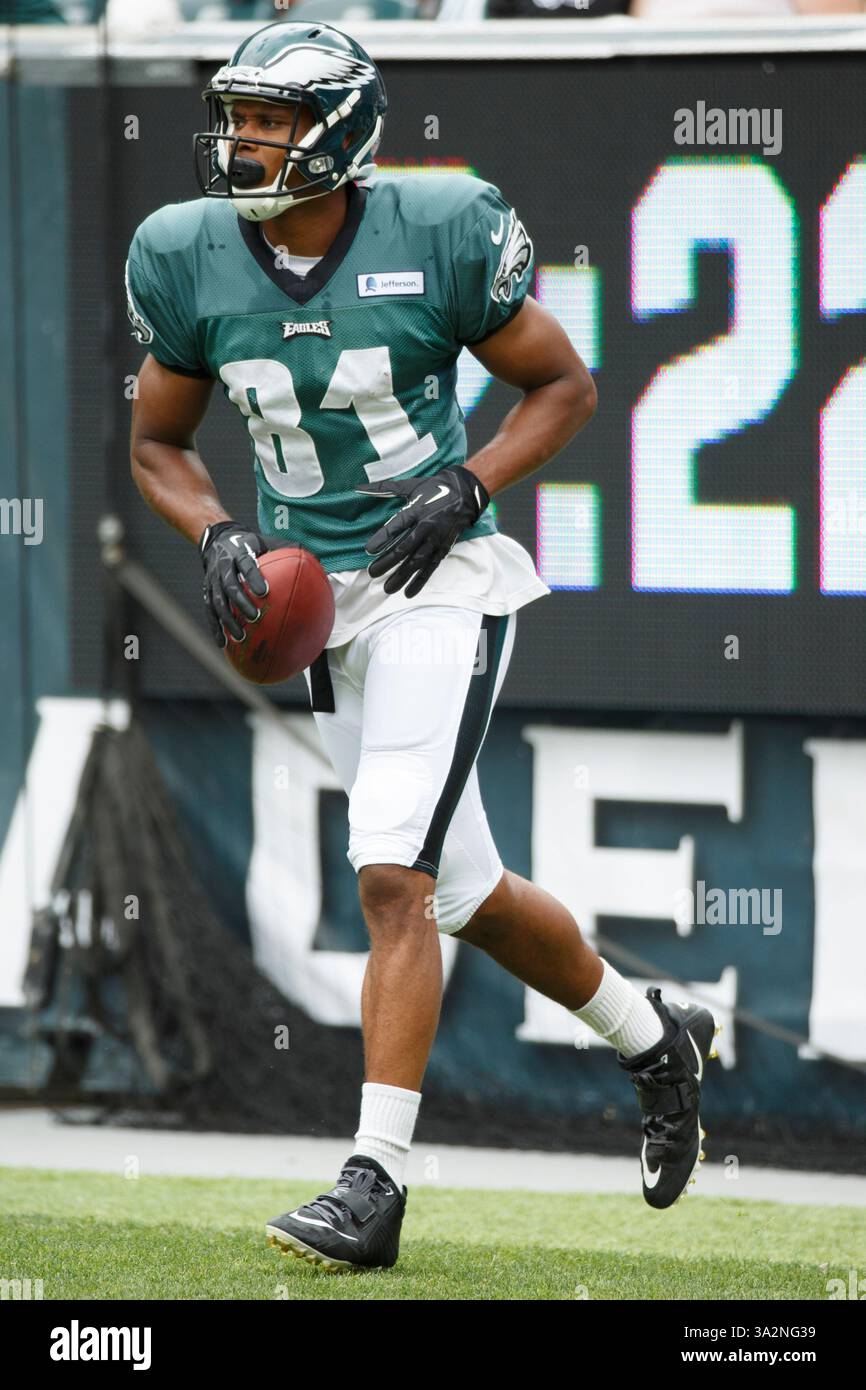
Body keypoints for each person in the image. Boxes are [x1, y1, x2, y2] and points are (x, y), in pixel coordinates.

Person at [126, 19, 720, 1274]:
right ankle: (651, 1036)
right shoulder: (182, 255)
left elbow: (560, 386)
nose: (244, 138)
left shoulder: (440, 228)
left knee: (389, 872)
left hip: (436, 577)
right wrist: (216, 529)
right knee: (463, 893)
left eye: (272, 119)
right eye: (237, 113)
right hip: (316, 599)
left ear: (339, 134)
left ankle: (373, 1181)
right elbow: (157, 446)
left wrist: (470, 483)